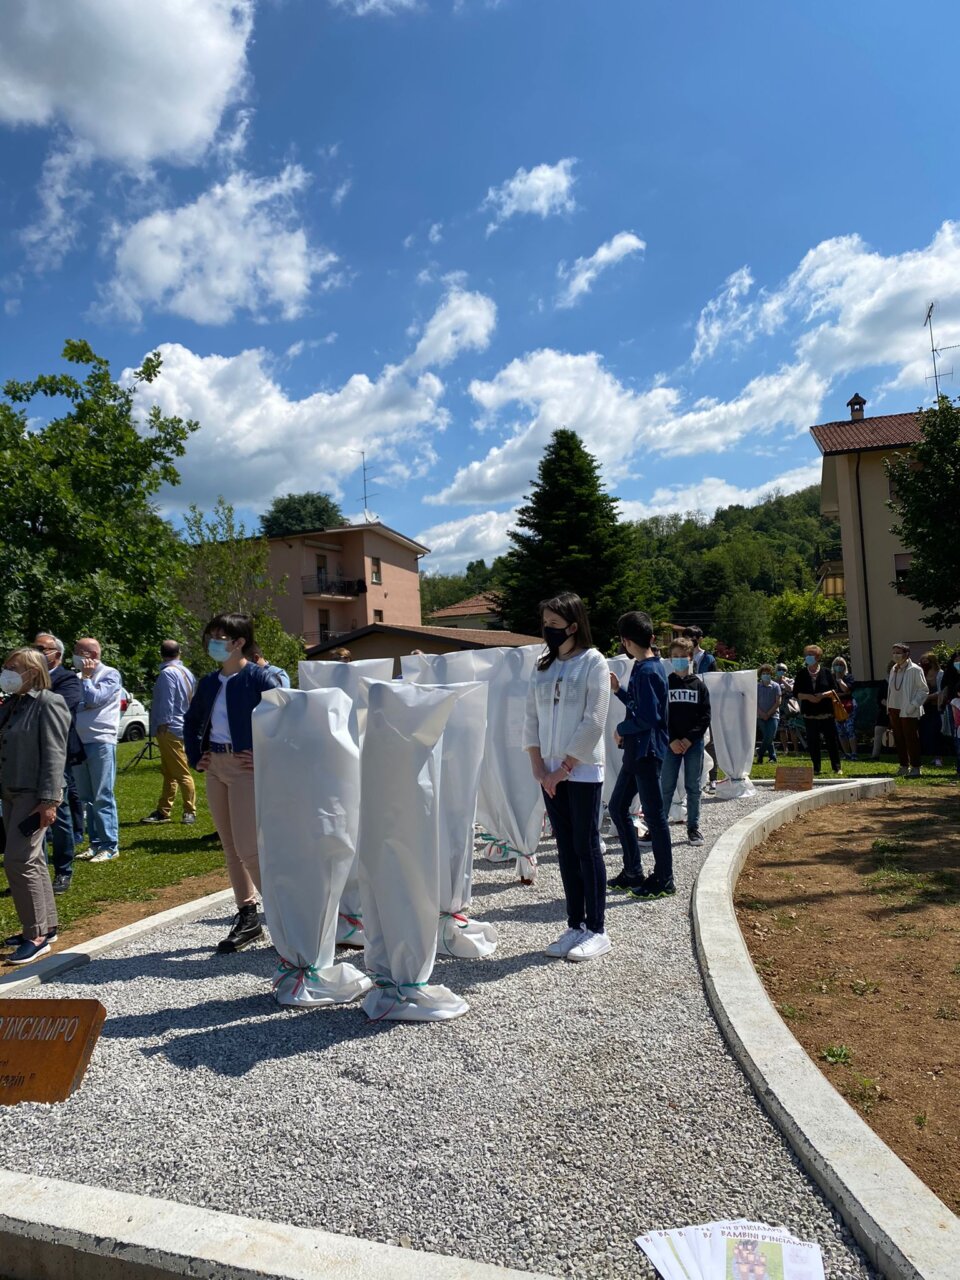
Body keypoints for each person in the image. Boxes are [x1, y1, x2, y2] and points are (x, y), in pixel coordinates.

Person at [183, 614, 279, 954]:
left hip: (245, 768)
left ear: (239, 642)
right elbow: (192, 721)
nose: (212, 642)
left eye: (219, 637)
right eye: (211, 636)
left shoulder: (260, 679)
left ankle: (286, 915)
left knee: (249, 849)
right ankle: (248, 915)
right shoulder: (209, 682)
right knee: (230, 847)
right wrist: (197, 756)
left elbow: (287, 720)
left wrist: (268, 755)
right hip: (217, 767)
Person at [523, 592, 611, 962]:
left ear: (574, 626)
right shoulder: (542, 667)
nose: (548, 631)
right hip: (550, 774)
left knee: (586, 846)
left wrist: (565, 768)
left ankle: (597, 929)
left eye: (555, 626)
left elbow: (595, 719)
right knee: (564, 848)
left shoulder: (593, 662)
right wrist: (540, 768)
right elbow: (531, 718)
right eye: (545, 625)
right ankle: (574, 923)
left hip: (582, 770)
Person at [0, 648, 70, 965]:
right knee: (33, 861)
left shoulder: (48, 703)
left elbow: (55, 755)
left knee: (19, 860)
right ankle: (47, 925)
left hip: (34, 795)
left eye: (12, 668)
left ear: (32, 671)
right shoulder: (13, 705)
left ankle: (36, 936)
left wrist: (49, 800)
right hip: (11, 793)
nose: (6, 673)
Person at [610, 611, 673, 900]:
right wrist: (619, 691)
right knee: (618, 807)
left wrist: (621, 727)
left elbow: (648, 716)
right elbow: (640, 705)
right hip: (639, 751)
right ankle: (633, 871)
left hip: (646, 751)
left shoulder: (647, 671)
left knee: (654, 815)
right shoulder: (648, 666)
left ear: (625, 641)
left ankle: (663, 878)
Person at [33, 632, 84, 893]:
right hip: (27, 757)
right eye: (34, 648)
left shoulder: (67, 680)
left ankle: (63, 870)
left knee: (59, 813)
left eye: (43, 649)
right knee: (31, 814)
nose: (38, 652)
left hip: (56, 755)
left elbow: (61, 708)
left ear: (57, 654)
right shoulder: (25, 681)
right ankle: (36, 873)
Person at [72, 637, 122, 862]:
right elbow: (74, 704)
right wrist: (84, 687)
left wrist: (87, 678)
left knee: (102, 794)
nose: (74, 655)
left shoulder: (110, 674)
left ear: (90, 655)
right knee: (86, 796)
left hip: (101, 740)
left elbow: (92, 699)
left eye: (77, 652)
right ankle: (95, 843)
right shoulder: (79, 677)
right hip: (79, 741)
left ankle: (110, 845)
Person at [660, 637, 711, 845]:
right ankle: (659, 828)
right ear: (670, 659)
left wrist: (689, 739)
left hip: (693, 744)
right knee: (666, 786)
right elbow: (661, 715)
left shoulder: (699, 685)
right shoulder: (665, 684)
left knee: (693, 786)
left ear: (690, 658)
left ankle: (693, 828)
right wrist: (672, 739)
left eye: (683, 657)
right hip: (670, 744)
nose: (679, 660)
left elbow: (705, 716)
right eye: (675, 657)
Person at [141, 641, 197, 826]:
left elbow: (167, 700)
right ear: (179, 653)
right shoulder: (186, 672)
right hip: (182, 725)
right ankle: (163, 810)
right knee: (169, 772)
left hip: (170, 727)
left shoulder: (167, 674)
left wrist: (163, 723)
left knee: (181, 772)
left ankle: (190, 810)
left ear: (161, 654)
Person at [793, 644, 842, 776]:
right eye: (807, 655)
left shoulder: (826, 672)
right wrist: (808, 697)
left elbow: (835, 690)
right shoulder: (801, 674)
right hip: (809, 713)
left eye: (811, 655)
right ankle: (816, 768)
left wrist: (823, 695)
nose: (808, 657)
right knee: (813, 742)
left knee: (831, 740)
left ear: (818, 657)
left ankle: (837, 767)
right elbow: (796, 692)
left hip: (826, 711)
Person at [683, 626, 718, 791]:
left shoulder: (708, 658)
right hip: (686, 703)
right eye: (687, 636)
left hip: (703, 702)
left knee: (709, 741)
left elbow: (714, 680)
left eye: (693, 637)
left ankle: (713, 778)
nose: (690, 639)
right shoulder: (682, 656)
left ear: (700, 638)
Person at [886, 643, 928, 778]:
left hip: (908, 708)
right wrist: (889, 706)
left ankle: (916, 767)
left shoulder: (915, 669)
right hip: (894, 707)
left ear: (906, 654)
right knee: (898, 738)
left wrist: (913, 705)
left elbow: (923, 690)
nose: (895, 655)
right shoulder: (894, 668)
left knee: (911, 737)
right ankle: (904, 765)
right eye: (894, 652)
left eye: (898, 652)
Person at [918, 653, 943, 766]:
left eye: (926, 661)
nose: (923, 663)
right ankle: (932, 756)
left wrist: (929, 697)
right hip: (925, 708)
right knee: (927, 732)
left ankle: (939, 757)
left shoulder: (940, 674)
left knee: (937, 731)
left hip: (937, 707)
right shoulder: (922, 674)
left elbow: (942, 691)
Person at [831, 656, 858, 761]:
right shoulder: (830, 677)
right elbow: (831, 693)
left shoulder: (849, 677)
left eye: (841, 664)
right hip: (836, 707)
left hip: (849, 706)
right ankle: (846, 753)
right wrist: (840, 694)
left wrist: (839, 680)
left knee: (850, 729)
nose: (839, 666)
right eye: (837, 664)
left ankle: (854, 753)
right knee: (840, 731)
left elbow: (847, 690)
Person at [939, 650, 960, 777]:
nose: (958, 662)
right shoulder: (950, 675)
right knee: (957, 738)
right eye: (956, 660)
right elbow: (944, 690)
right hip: (954, 707)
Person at [755, 663, 781, 765]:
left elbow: (778, 702)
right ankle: (772, 757)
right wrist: (761, 713)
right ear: (760, 674)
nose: (766, 675)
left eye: (768, 673)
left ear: (771, 674)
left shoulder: (776, 686)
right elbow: (754, 701)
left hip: (774, 715)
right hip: (760, 715)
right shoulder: (757, 687)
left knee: (770, 736)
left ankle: (760, 752)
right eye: (764, 673)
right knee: (767, 736)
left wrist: (768, 713)